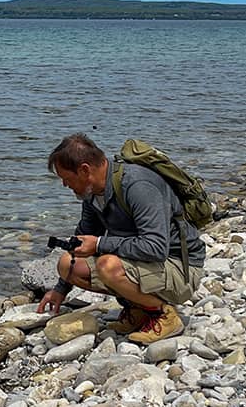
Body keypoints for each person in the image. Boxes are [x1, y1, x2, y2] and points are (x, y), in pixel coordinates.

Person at [37, 133, 206, 344]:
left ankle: (164, 315)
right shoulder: (92, 194)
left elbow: (155, 248)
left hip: (181, 267)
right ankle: (139, 309)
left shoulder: (138, 186)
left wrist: (99, 244)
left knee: (108, 265)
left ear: (85, 170)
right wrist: (60, 289)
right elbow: (81, 243)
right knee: (67, 264)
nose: (64, 184)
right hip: (149, 264)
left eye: (67, 179)